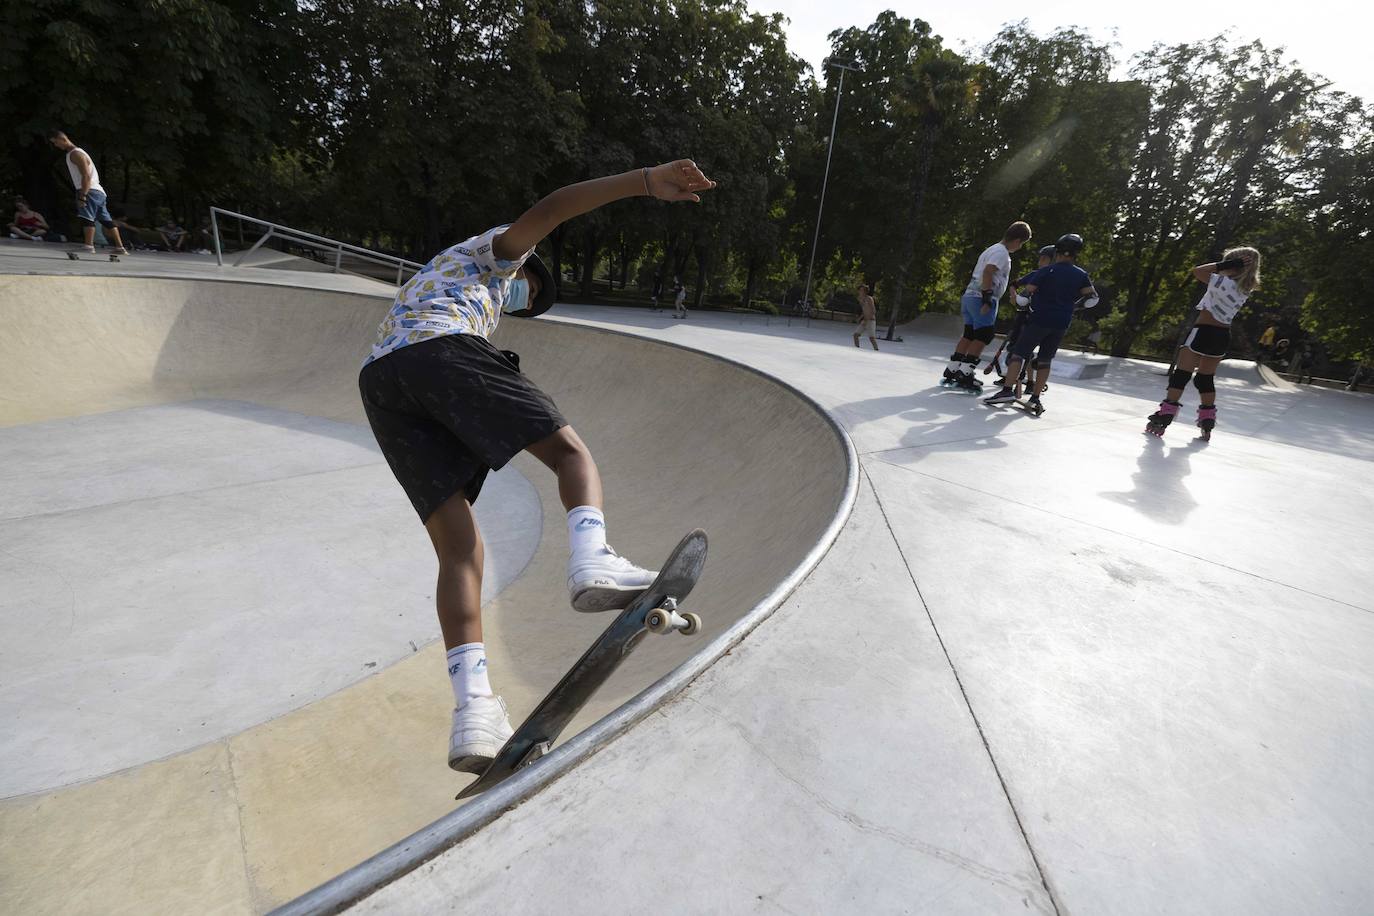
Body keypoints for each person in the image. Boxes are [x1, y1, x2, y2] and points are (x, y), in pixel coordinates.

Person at [357, 159, 715, 774]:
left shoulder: (430, 282)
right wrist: (645, 182)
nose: (522, 298)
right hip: (442, 350)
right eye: (530, 290)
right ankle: (591, 559)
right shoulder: (492, 255)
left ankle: (473, 712)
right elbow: (552, 209)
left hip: (382, 384)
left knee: (460, 552)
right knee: (571, 454)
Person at [1143, 247, 1261, 438]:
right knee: (1204, 379)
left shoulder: (1221, 282)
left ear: (1234, 266)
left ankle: (1165, 416)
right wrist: (1232, 266)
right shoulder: (1244, 289)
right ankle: (1207, 420)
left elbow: (1198, 271)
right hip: (1222, 336)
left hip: (1203, 332)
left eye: (1227, 263)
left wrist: (1226, 265)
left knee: (1181, 375)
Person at [984, 233, 1099, 414]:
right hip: (1061, 322)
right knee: (1045, 359)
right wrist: (1073, 307)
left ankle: (1007, 391)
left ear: (1057, 251)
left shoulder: (1046, 271)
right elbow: (1092, 299)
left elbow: (1024, 297)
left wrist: (1023, 300)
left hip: (1039, 319)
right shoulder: (1081, 274)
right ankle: (1036, 398)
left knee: (1018, 354)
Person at [939, 221, 1032, 392]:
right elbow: (988, 271)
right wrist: (987, 297)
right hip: (980, 297)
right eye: (1022, 244)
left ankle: (952, 369)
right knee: (984, 334)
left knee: (970, 333)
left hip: (970, 295)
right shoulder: (1001, 253)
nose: (1019, 247)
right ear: (1017, 240)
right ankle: (965, 373)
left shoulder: (992, 248)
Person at [47, 130, 128, 256]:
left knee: (87, 217)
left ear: (62, 139)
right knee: (106, 220)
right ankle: (120, 248)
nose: (56, 146)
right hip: (98, 191)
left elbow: (85, 175)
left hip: (89, 190)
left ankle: (88, 246)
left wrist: (83, 195)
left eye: (56, 142)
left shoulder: (76, 154)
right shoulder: (77, 153)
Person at [992, 243, 1056, 385]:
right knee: (1017, 347)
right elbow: (1014, 284)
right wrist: (1014, 296)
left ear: (1048, 260)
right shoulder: (1035, 275)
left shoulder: (1055, 279)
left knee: (1026, 351)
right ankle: (1012, 377)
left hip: (1038, 319)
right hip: (1024, 316)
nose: (1039, 261)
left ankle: (1029, 381)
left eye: (1042, 258)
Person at [852, 283, 879, 350]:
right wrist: (860, 318)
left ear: (865, 291)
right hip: (865, 320)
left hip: (871, 320)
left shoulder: (869, 299)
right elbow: (865, 311)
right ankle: (857, 349)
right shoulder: (860, 299)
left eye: (862, 290)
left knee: (872, 338)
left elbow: (873, 311)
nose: (860, 292)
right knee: (855, 335)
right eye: (859, 290)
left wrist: (867, 320)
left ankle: (876, 350)